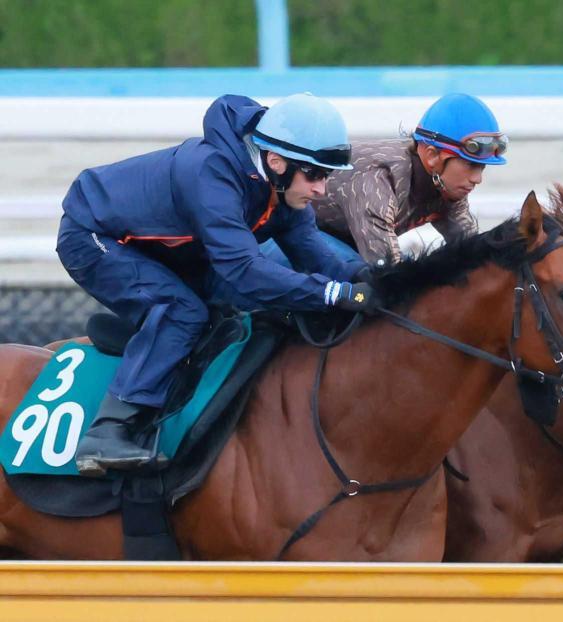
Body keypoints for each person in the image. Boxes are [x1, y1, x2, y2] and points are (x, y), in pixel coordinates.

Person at [57, 93, 378, 476]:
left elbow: (321, 261)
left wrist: (370, 281)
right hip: (93, 236)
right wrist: (331, 294)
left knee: (241, 305)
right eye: (314, 175)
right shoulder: (213, 173)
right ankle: (107, 430)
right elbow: (244, 269)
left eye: (326, 176)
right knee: (183, 311)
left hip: (170, 249)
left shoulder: (281, 190)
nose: (322, 190)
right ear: (276, 162)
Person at [310, 93, 508, 267]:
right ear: (432, 156)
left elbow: (474, 252)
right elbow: (386, 273)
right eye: (470, 165)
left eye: (481, 167)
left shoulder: (446, 184)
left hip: (353, 241)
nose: (477, 179)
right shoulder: (378, 179)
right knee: (364, 277)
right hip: (297, 233)